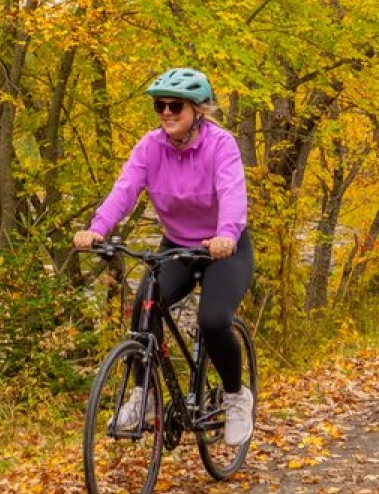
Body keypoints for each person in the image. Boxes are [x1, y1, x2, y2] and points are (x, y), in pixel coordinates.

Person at [73, 67, 255, 447]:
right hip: (177, 245)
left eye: (175, 105)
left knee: (213, 319)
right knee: (145, 306)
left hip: (224, 247)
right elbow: (124, 190)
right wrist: (98, 229)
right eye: (160, 106)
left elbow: (233, 193)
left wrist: (226, 235)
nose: (166, 113)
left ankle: (237, 397)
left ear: (198, 111)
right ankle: (147, 395)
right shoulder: (150, 147)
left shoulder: (220, 145)